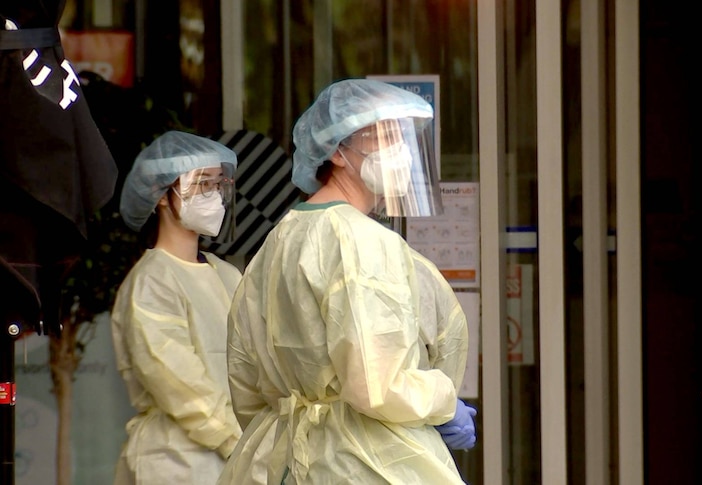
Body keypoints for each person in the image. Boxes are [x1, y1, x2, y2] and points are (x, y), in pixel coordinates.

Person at [218, 78, 476, 485]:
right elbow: (377, 383)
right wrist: (442, 401)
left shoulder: (277, 240)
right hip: (366, 463)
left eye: (404, 138)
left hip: (280, 461)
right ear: (337, 150)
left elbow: (245, 380)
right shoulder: (361, 240)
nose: (402, 153)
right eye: (388, 137)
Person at [110, 130, 243, 484]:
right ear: (161, 197)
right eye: (200, 185)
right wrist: (241, 442)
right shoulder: (152, 282)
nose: (213, 197)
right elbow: (180, 386)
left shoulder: (226, 274)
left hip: (236, 457)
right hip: (176, 462)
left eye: (218, 185)